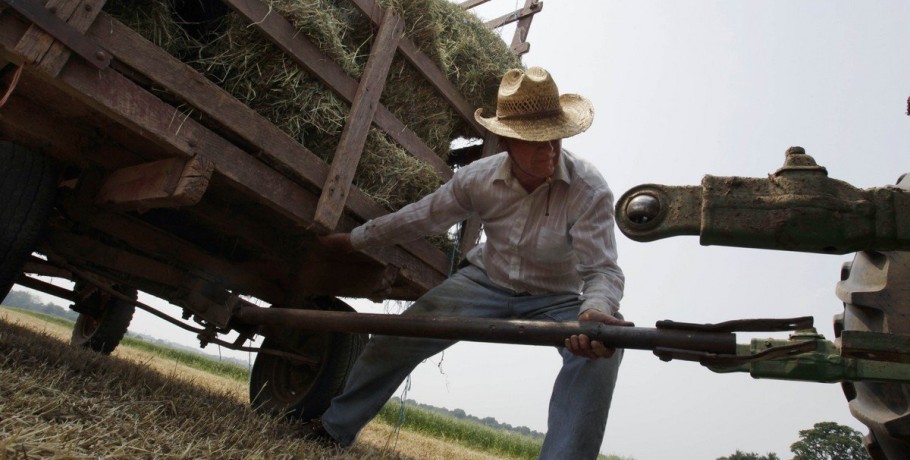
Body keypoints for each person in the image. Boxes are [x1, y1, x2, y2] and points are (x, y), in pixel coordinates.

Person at [312, 66, 629, 459]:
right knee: (395, 339)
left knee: (600, 353)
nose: (549, 147)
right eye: (535, 140)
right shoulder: (477, 179)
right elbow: (420, 216)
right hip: (485, 281)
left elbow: (601, 269)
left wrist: (595, 311)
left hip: (557, 299)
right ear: (506, 141)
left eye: (555, 135)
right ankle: (333, 428)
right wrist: (353, 241)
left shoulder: (589, 189)